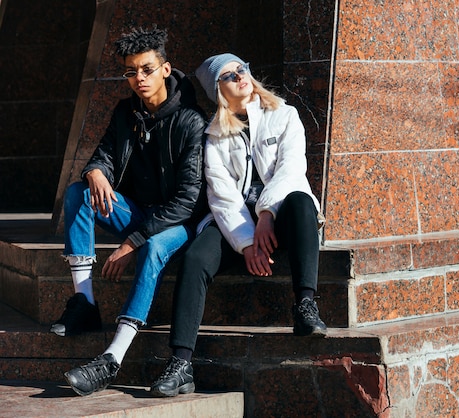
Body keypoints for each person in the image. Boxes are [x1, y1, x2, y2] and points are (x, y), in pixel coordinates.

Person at [148, 53, 327, 397]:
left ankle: (305, 305)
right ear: (218, 89)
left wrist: (267, 215)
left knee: (304, 202)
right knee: (196, 257)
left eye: (242, 68)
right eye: (229, 76)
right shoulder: (214, 135)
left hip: (283, 214)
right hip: (239, 224)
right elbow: (222, 196)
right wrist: (247, 242)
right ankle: (181, 362)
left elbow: (292, 171)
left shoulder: (284, 115)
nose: (240, 76)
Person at [52, 26, 206, 397]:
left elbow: (188, 200)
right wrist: (95, 172)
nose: (139, 78)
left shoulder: (191, 121)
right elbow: (104, 153)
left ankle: (111, 360)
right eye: (131, 72)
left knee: (152, 249)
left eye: (147, 69)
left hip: (179, 223)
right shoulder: (126, 111)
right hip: (139, 213)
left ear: (166, 69)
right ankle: (85, 302)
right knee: (79, 193)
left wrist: (133, 242)